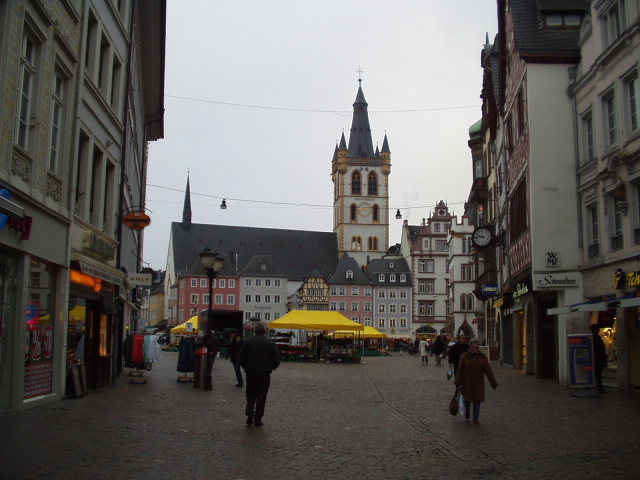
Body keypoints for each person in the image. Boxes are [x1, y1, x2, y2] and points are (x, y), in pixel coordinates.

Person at [238, 322, 280, 427]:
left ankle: (250, 412)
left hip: (251, 372)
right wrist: (271, 367)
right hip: (264, 373)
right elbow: (276, 360)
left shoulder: (248, 343)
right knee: (262, 396)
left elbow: (241, 358)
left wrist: (245, 367)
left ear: (255, 331)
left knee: (250, 393)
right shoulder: (270, 344)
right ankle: (258, 418)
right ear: (264, 331)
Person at [454, 337, 498, 424]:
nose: (474, 349)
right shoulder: (464, 356)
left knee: (477, 401)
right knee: (467, 400)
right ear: (470, 346)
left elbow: (488, 371)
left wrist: (493, 382)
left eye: (476, 347)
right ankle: (467, 412)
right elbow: (460, 370)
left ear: (478, 347)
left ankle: (476, 418)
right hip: (467, 383)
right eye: (473, 347)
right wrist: (457, 381)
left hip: (478, 383)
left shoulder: (482, 357)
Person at [590, 324, 608, 393]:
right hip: (597, 360)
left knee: (597, 374)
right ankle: (599, 388)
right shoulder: (595, 338)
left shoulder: (596, 337)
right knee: (598, 375)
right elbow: (600, 349)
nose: (598, 331)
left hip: (598, 359)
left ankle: (597, 387)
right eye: (597, 329)